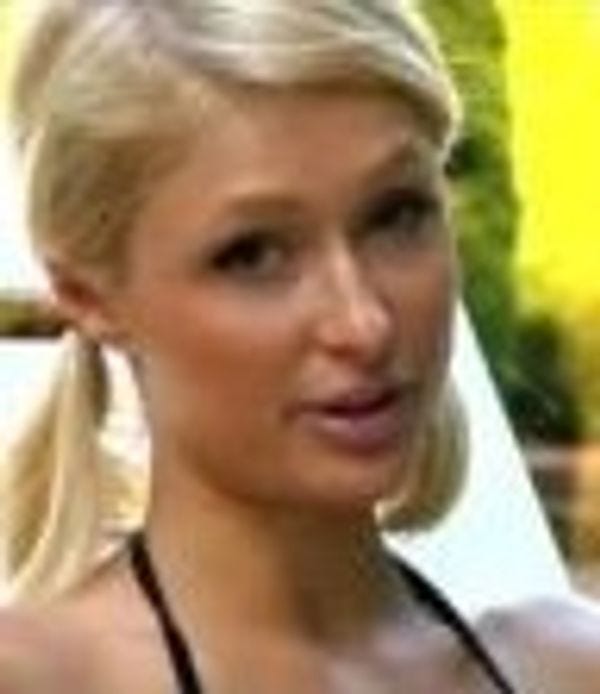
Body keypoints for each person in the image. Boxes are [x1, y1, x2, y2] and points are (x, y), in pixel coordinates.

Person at [1, 0, 600, 692]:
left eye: (396, 214)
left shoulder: (568, 668)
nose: (363, 323)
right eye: (253, 254)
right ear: (89, 297)